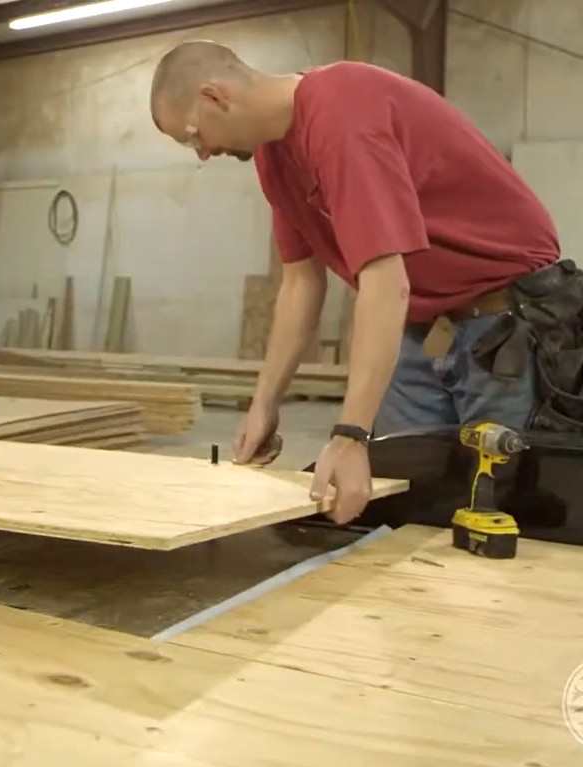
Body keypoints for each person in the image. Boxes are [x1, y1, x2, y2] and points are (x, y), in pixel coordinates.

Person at [148, 41, 571, 525]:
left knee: (505, 513)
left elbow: (386, 280)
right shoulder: (273, 157)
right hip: (424, 327)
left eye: (191, 135)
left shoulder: (341, 110)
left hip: (507, 321)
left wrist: (350, 434)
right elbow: (300, 285)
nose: (202, 152)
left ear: (214, 96)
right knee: (410, 507)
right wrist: (263, 405)